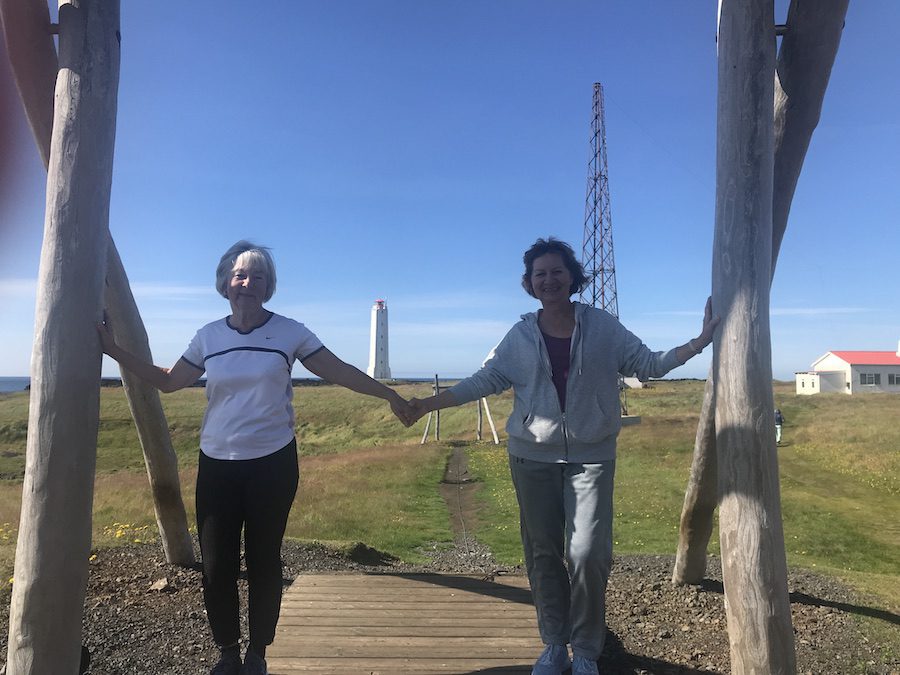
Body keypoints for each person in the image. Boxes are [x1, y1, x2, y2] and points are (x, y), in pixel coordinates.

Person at [98, 240, 413, 675]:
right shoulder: (209, 335)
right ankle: (227, 651)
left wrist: (390, 395)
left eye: (258, 276)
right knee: (216, 562)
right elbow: (170, 382)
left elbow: (338, 370)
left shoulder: (290, 332)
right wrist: (113, 349)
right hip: (218, 464)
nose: (248, 282)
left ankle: (257, 653)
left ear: (269, 286)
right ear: (225, 281)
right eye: (241, 274)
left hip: (273, 463)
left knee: (264, 558)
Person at [407, 237, 718, 675]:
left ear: (572, 276)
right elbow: (484, 381)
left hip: (592, 457)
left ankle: (586, 649)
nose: (548, 280)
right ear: (529, 284)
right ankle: (554, 644)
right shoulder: (519, 335)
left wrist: (699, 342)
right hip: (531, 458)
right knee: (542, 553)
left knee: (588, 553)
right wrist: (427, 404)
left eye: (556, 271)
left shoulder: (603, 327)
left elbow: (646, 363)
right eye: (539, 274)